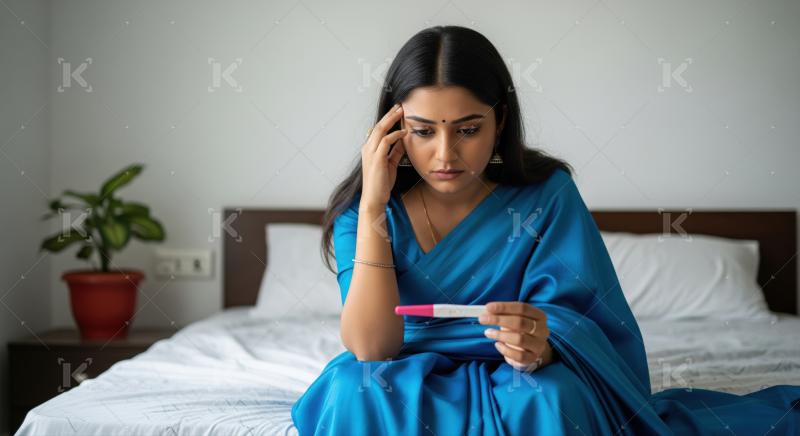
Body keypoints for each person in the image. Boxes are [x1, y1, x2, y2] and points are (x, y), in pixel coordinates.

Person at [291, 25, 800, 435]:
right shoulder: (365, 210)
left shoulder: (546, 195)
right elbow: (372, 349)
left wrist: (545, 342)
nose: (444, 155)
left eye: (468, 129)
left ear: (499, 121)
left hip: (520, 372)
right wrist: (377, 202)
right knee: (351, 392)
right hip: (403, 374)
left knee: (554, 399)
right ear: (393, 129)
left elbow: (586, 323)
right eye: (423, 132)